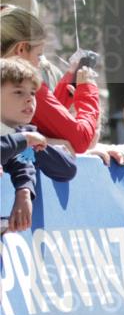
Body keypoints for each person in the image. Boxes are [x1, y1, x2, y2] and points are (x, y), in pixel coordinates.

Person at [1, 6, 100, 154]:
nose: (40, 62)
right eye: (39, 55)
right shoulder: (23, 84)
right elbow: (81, 140)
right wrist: (88, 91)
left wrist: (69, 80)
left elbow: (46, 117)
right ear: (21, 49)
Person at [1, 57, 75, 231]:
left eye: (33, 93)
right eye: (18, 92)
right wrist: (24, 140)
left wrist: (24, 191)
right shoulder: (23, 136)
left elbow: (66, 169)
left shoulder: (22, 133)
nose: (29, 99)